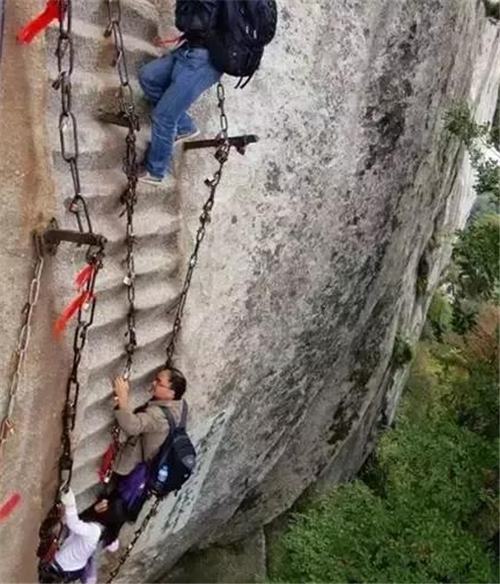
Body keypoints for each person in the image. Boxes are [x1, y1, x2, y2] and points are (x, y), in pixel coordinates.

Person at [137, 0, 222, 186]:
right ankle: (184, 126)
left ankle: (155, 170)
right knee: (149, 76)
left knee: (164, 116)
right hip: (188, 49)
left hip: (204, 61)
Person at [103, 368, 187, 521]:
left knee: (120, 498)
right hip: (159, 463)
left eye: (159, 382)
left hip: (138, 468)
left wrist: (123, 398)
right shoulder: (181, 405)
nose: (153, 383)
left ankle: (108, 519)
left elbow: (132, 426)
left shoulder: (158, 416)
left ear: (171, 393)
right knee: (131, 498)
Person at [38, 489, 123, 584]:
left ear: (107, 514)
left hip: (63, 565)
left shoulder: (95, 530)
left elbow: (74, 524)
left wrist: (70, 504)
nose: (103, 501)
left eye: (106, 504)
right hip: (76, 567)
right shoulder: (105, 531)